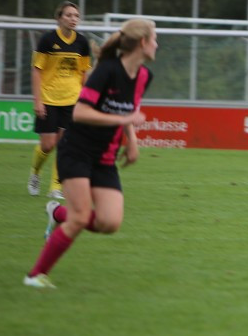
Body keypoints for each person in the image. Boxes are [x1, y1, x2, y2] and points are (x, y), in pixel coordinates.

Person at [23, 18, 157, 289]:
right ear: (142, 43)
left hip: (105, 158)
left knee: (110, 222)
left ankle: (58, 214)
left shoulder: (144, 76)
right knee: (82, 217)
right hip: (77, 150)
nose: (157, 44)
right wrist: (124, 122)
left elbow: (127, 110)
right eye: (154, 39)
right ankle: (35, 276)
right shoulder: (106, 70)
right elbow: (81, 112)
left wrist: (131, 141)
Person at [28, 1, 92, 200]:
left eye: (76, 16)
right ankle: (35, 173)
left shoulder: (82, 42)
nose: (73, 19)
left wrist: (85, 98)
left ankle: (56, 186)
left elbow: (84, 71)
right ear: (59, 18)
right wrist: (37, 100)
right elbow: (37, 71)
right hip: (48, 99)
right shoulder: (47, 40)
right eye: (69, 15)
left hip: (71, 100)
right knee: (48, 145)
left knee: (64, 145)